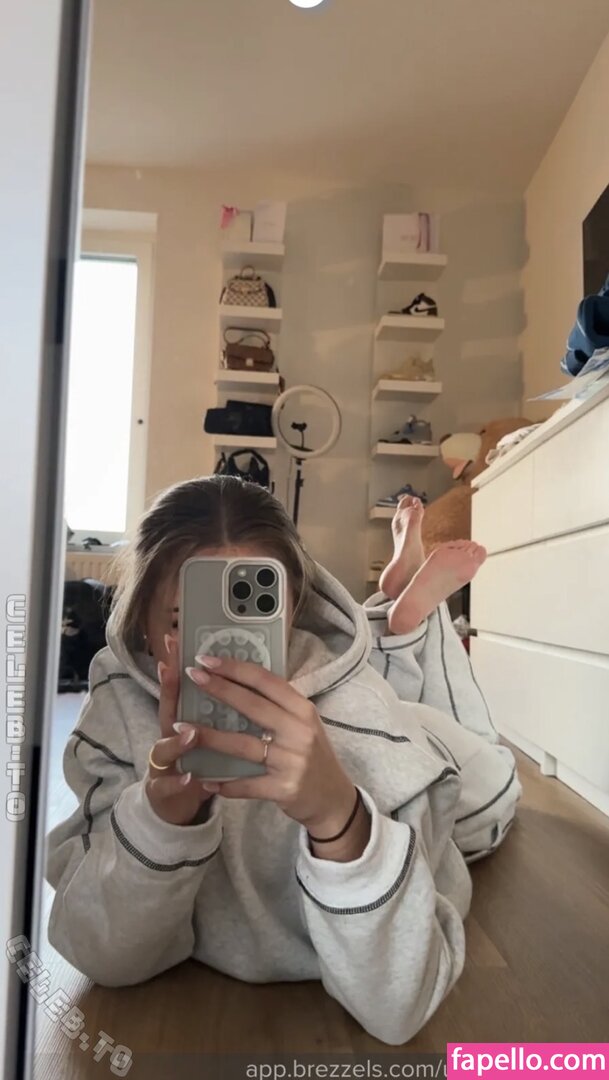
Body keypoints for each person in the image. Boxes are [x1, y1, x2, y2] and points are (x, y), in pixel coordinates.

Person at [45, 478, 520, 1046]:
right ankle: (398, 620)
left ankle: (412, 622)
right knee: (408, 695)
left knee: (490, 772)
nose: (221, 651)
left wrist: (340, 818)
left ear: (293, 612)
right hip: (370, 702)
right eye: (183, 621)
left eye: (252, 620)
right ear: (139, 622)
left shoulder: (362, 722)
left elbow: (399, 1007)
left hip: (430, 744)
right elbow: (99, 952)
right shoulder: (119, 706)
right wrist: (160, 819)